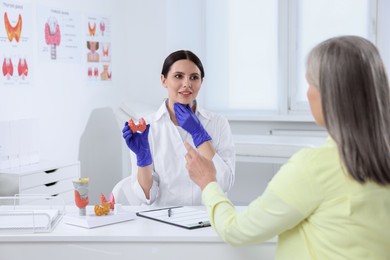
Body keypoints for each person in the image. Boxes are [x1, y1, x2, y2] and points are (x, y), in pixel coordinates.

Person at [184, 36, 390, 259]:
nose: (307, 93)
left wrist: (208, 183)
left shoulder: (313, 168)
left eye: (310, 84)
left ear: (330, 96)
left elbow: (236, 230)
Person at [122, 50, 235, 206]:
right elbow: (147, 197)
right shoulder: (148, 128)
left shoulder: (217, 123)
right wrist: (143, 159)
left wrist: (199, 134)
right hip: (165, 221)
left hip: (207, 219)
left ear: (201, 82)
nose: (187, 84)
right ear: (164, 80)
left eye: (194, 77)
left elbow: (225, 183)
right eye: (178, 76)